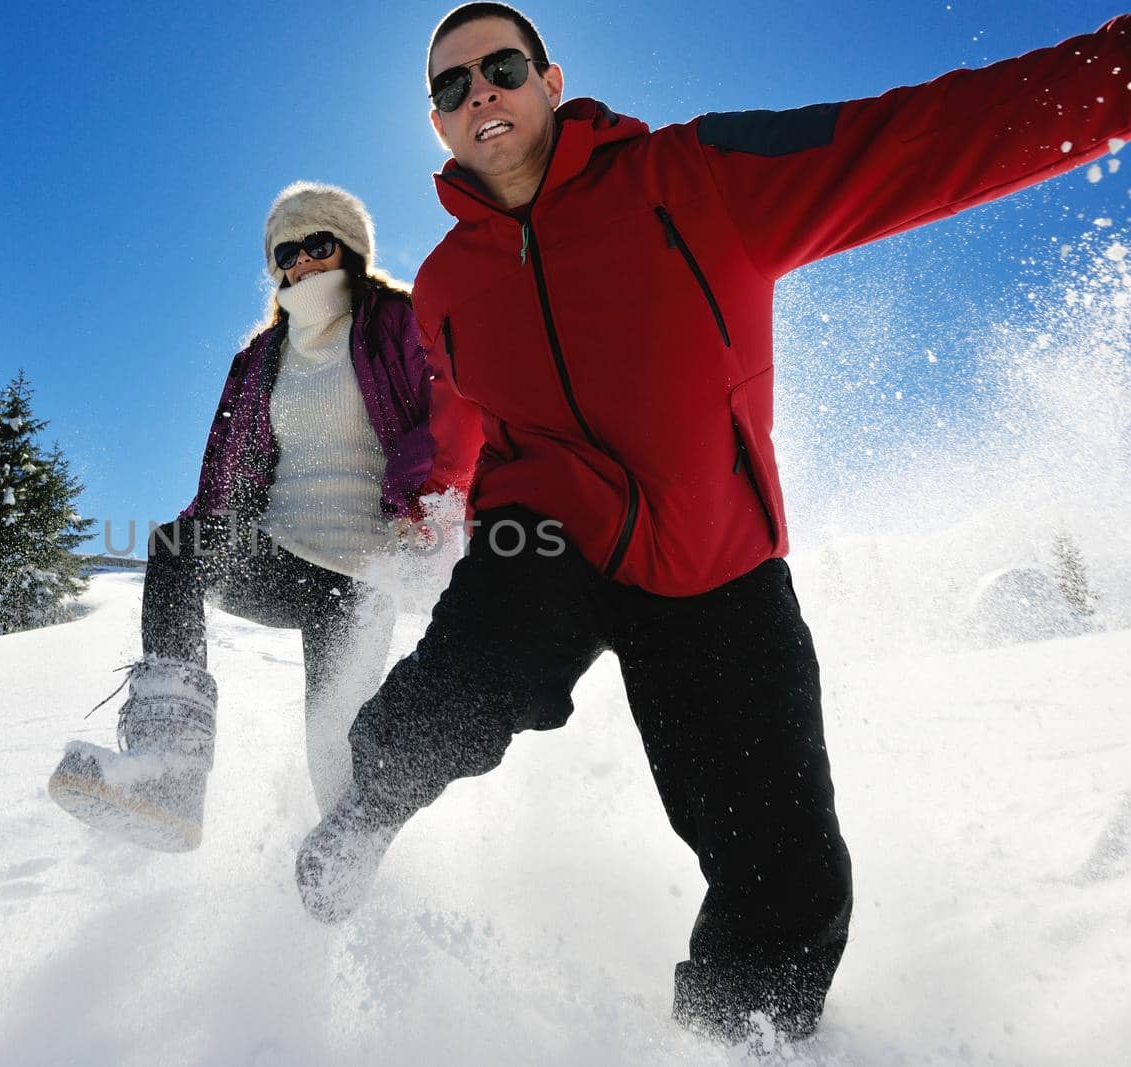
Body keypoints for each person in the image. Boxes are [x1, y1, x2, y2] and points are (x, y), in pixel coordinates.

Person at [294, 1, 1131, 1043]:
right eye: (451, 87)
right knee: (473, 670)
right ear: (437, 124)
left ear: (551, 83)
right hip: (548, 535)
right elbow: (465, 411)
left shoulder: (695, 181)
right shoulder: (450, 286)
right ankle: (365, 807)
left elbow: (917, 136)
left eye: (500, 68)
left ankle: (732, 1041)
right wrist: (436, 498)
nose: (480, 96)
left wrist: (1114, 73)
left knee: (783, 860)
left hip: (713, 564)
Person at [49, 181, 474, 853]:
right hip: (275, 557)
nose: (302, 262)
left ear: (353, 251)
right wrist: (213, 524)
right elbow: (227, 475)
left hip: (358, 576)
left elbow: (450, 410)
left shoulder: (396, 322)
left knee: (332, 757)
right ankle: (170, 773)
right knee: (178, 548)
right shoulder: (259, 358)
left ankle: (351, 875)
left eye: (319, 244)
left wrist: (424, 505)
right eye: (287, 250)